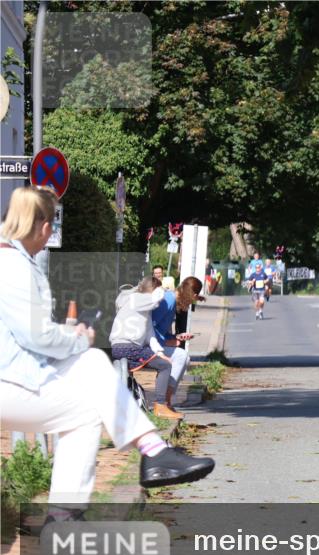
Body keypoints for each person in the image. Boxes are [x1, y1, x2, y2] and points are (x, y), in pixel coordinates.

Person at [0, 186, 214, 511]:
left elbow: (26, 330)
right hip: (10, 379)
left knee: (91, 363)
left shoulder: (12, 260)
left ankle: (153, 450)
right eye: (53, 227)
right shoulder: (12, 265)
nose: (50, 236)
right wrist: (76, 338)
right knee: (85, 414)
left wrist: (72, 336)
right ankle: (65, 517)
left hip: (16, 372)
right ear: (43, 225)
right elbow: (36, 337)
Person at [110, 277, 183, 419]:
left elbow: (150, 336)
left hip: (120, 347)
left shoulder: (144, 309)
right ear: (151, 290)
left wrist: (160, 353)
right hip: (128, 347)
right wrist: (164, 290)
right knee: (165, 366)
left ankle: (128, 407)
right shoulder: (136, 299)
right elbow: (157, 297)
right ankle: (161, 406)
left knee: (162, 360)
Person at [152, 277, 202, 401]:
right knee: (181, 356)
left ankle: (166, 399)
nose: (190, 304)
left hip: (155, 344)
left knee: (183, 357)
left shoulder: (172, 301)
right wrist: (167, 341)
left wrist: (176, 337)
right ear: (193, 295)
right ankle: (164, 401)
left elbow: (160, 331)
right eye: (193, 299)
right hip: (148, 345)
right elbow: (150, 328)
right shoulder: (168, 301)